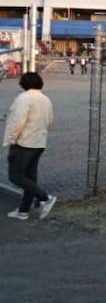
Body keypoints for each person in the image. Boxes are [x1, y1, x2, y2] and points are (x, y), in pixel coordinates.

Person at [4, 72, 57, 221]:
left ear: (23, 84)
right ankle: (23, 210)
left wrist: (12, 138)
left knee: (16, 176)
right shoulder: (46, 99)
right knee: (30, 177)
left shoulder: (23, 99)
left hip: (23, 142)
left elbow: (18, 121)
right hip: (38, 142)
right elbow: (49, 119)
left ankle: (45, 197)